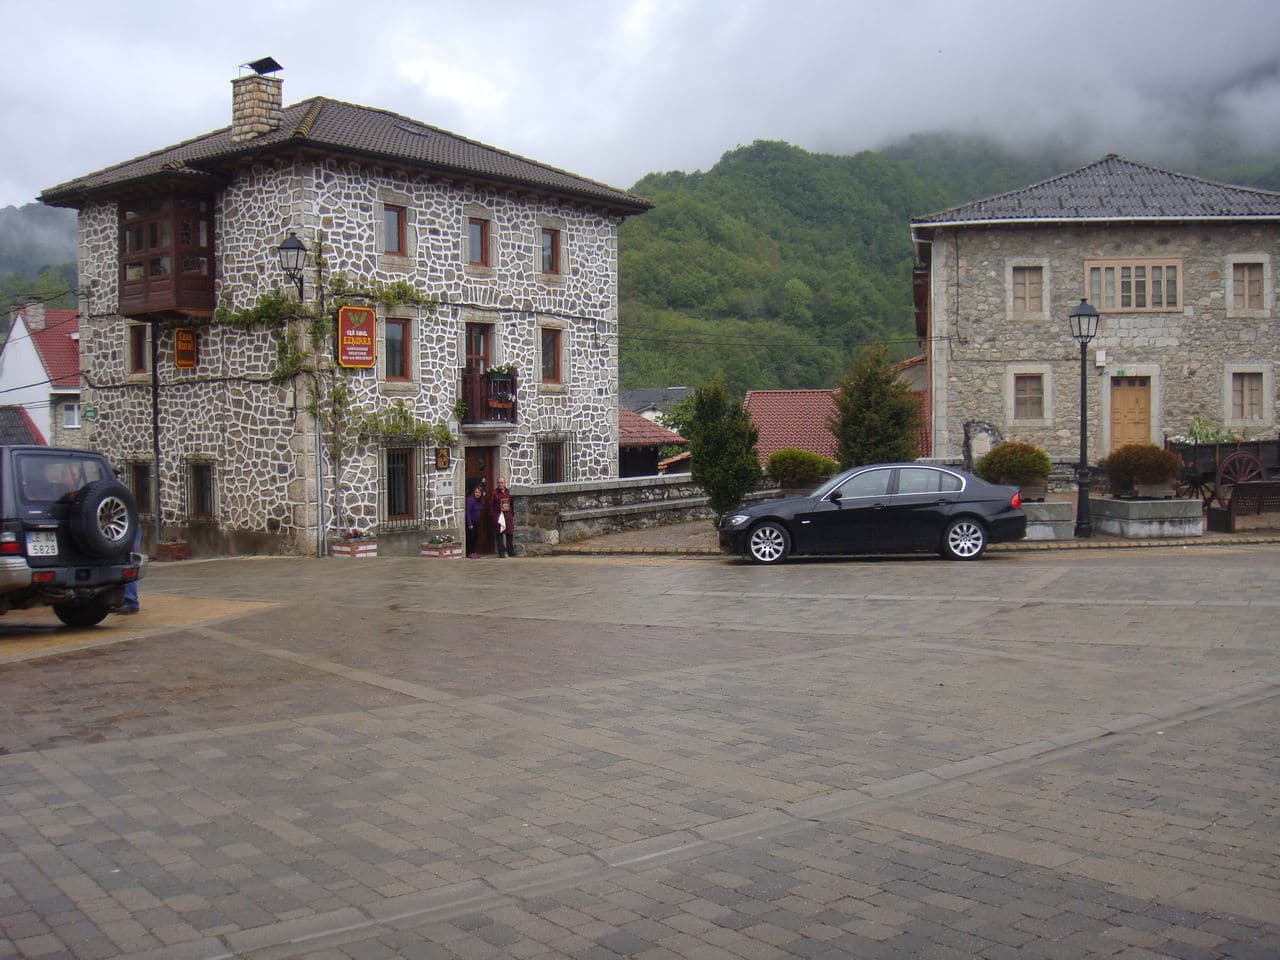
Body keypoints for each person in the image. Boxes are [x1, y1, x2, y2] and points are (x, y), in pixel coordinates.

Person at [490, 476, 515, 557]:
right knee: (499, 535)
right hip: (499, 516)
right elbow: (491, 505)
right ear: (497, 483)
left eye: (502, 482)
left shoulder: (509, 492)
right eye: (499, 483)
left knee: (509, 534)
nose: (500, 484)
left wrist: (512, 514)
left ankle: (510, 551)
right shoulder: (494, 493)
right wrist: (494, 516)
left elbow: (512, 504)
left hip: (508, 515)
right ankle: (501, 552)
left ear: (505, 483)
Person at [465, 483, 485, 558]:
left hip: (477, 522)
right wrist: (469, 523)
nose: (478, 494)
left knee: (475, 537)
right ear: (474, 492)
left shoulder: (480, 501)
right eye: (476, 492)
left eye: (479, 492)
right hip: (471, 522)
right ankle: (469, 553)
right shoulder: (470, 500)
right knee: (470, 538)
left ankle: (473, 552)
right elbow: (468, 512)